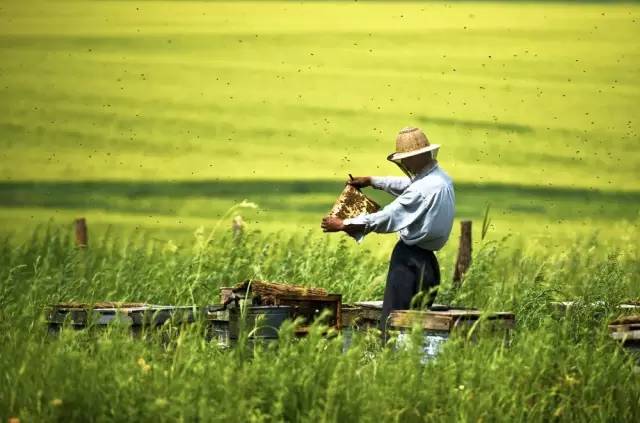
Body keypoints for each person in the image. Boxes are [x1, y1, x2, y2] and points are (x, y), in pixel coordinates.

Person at [321, 126, 455, 333]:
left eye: (407, 159)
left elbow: (388, 216)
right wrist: (372, 181)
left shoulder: (422, 189)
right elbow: (408, 184)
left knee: (394, 322)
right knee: (417, 328)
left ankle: (388, 360)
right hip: (429, 264)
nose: (406, 164)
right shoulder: (440, 178)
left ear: (415, 158)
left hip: (409, 261)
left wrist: (343, 224)